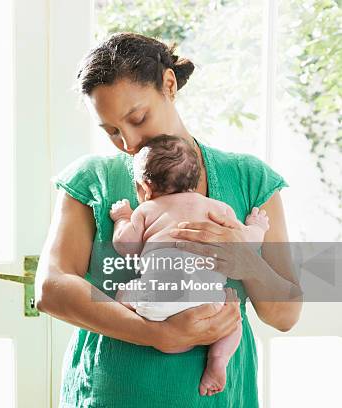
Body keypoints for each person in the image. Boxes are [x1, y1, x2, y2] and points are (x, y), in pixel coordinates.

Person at [34, 32, 302, 407]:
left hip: (218, 398)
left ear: (169, 84)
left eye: (137, 118)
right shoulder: (91, 179)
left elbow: (284, 314)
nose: (128, 143)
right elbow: (51, 288)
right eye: (111, 131)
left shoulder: (249, 179)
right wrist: (155, 334)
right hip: (112, 394)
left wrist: (246, 262)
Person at [109, 134, 270, 396]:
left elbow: (125, 247)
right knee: (234, 321)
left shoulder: (147, 211)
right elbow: (247, 243)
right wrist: (257, 227)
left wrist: (122, 219)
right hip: (209, 302)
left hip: (156, 301)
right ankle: (217, 361)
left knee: (124, 293)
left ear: (146, 187)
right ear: (195, 182)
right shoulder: (218, 209)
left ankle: (165, 336)